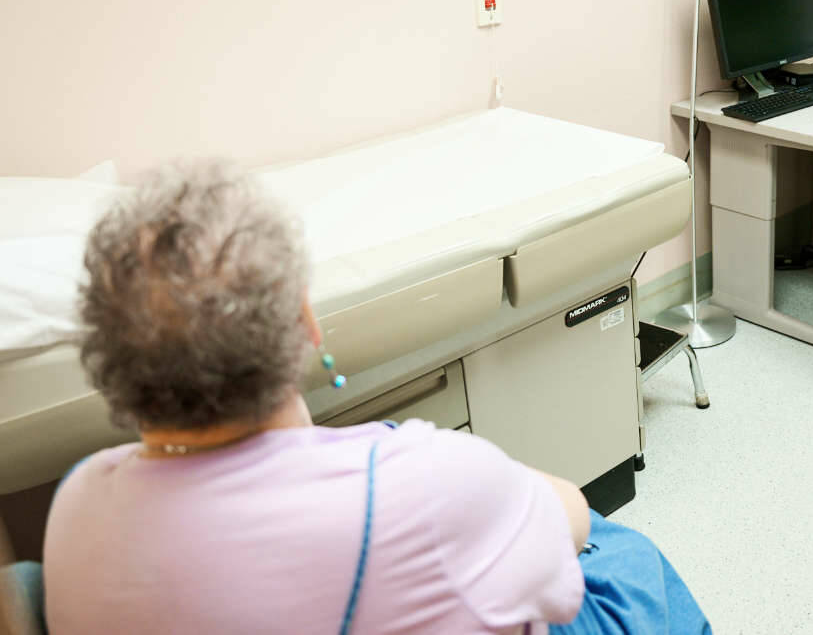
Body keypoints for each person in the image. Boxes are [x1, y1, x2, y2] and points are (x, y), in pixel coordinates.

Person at [42, 160, 710, 634]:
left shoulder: (74, 506)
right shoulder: (414, 485)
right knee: (628, 556)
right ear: (305, 321)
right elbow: (569, 521)